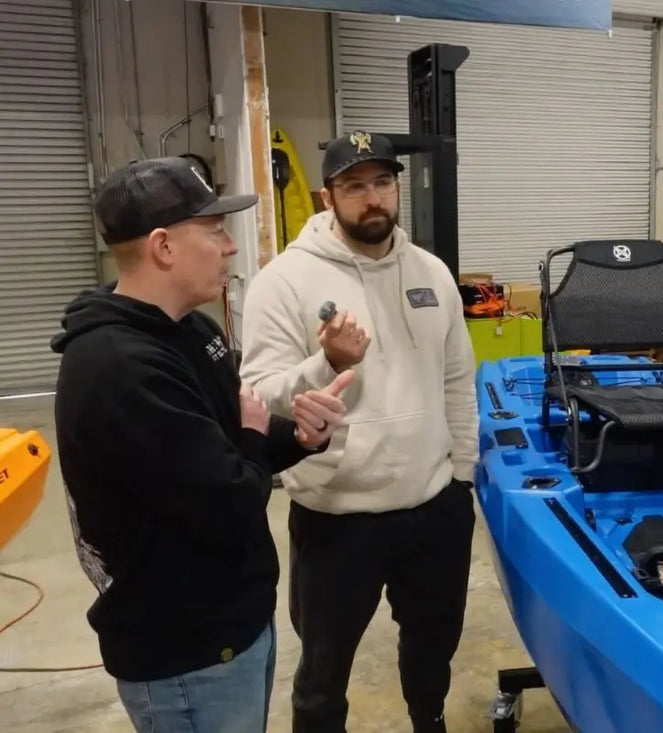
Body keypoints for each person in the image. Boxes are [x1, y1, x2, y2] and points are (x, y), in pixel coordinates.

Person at [49, 155, 354, 732]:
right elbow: (233, 495)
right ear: (163, 247)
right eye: (214, 232)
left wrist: (301, 436)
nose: (230, 247)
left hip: (231, 624)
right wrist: (253, 434)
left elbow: (234, 436)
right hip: (185, 651)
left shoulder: (193, 331)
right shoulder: (119, 367)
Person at [238, 130, 478, 733]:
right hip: (335, 514)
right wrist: (329, 364)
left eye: (382, 183)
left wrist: (462, 478)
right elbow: (259, 396)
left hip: (432, 506)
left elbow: (458, 380)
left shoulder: (432, 273)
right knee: (323, 674)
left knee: (432, 649)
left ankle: (429, 719)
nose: (372, 199)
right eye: (353, 187)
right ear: (327, 198)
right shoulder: (283, 280)